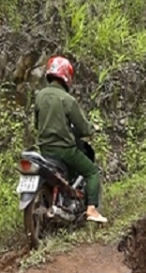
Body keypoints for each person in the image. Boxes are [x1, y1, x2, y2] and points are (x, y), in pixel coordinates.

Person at [34, 56, 107, 223]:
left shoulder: (39, 96)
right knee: (92, 171)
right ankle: (92, 210)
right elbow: (82, 127)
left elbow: (37, 124)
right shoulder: (67, 99)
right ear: (66, 76)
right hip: (64, 150)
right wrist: (92, 129)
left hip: (45, 150)